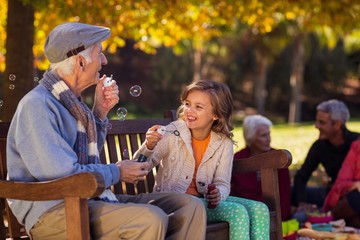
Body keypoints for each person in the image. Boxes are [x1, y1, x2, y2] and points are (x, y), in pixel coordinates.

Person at [6, 22, 206, 240]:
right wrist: (117, 172)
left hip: (90, 199)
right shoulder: (38, 105)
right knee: (149, 219)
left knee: (190, 207)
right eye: (99, 53)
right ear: (81, 62)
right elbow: (63, 176)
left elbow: (85, 156)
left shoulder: (72, 104)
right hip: (54, 212)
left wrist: (99, 112)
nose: (104, 61)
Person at [134, 80, 270, 240]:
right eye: (187, 104)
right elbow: (138, 167)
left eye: (198, 107)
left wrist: (218, 194)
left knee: (261, 209)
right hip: (171, 203)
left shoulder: (223, 142)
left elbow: (223, 183)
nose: (189, 111)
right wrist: (149, 146)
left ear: (216, 115)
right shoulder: (173, 132)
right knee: (238, 213)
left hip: (202, 203)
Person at [292, 99, 360, 212]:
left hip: (351, 196)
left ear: (337, 124)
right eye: (317, 121)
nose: (316, 126)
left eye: (321, 122)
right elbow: (301, 177)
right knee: (289, 191)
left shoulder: (356, 143)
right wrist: (302, 203)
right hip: (330, 193)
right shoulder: (319, 146)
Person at [230, 115, 292, 221]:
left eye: (269, 134)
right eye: (263, 135)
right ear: (251, 137)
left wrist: (280, 221)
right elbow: (232, 193)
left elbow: (285, 195)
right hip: (244, 216)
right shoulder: (238, 159)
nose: (268, 139)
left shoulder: (279, 158)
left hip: (275, 216)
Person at [322, 139, 360, 228]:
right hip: (351, 205)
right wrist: (356, 185)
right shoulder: (357, 147)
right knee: (356, 197)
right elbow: (341, 183)